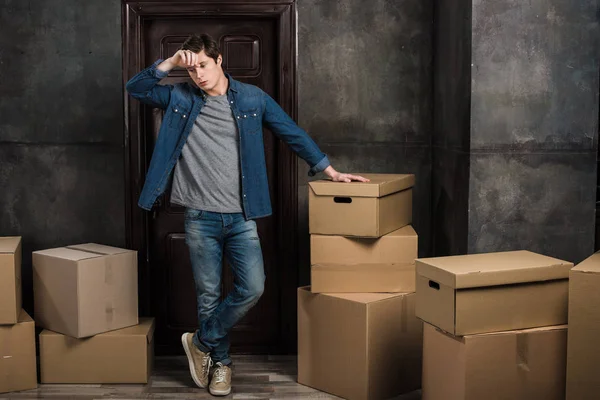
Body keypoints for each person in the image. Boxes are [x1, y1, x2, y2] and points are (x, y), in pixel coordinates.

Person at [125, 33, 368, 396]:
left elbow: (292, 133)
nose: (200, 76)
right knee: (208, 296)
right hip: (200, 217)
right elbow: (137, 87)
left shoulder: (253, 99)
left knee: (252, 287)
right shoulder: (179, 97)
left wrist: (330, 171)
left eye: (204, 66)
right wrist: (174, 63)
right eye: (193, 71)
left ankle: (200, 342)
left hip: (241, 217)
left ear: (220, 60)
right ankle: (221, 365)